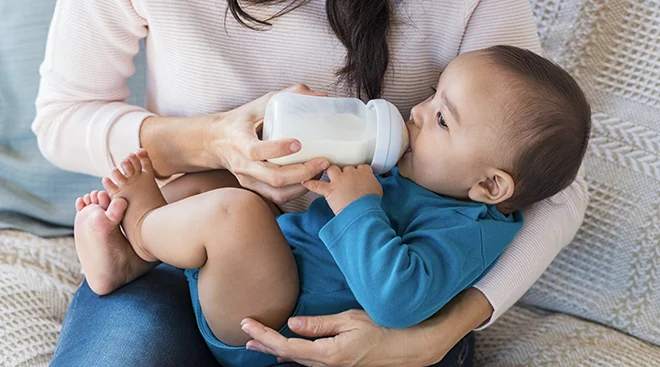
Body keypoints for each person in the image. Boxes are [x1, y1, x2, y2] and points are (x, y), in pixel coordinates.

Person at [33, 1, 589, 366]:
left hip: (332, 317)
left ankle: (141, 233)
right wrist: (211, 138)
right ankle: (136, 247)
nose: (416, 113)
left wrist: (434, 335)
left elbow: (550, 185)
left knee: (230, 211)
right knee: (213, 187)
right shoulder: (409, 176)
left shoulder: (449, 201)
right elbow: (62, 116)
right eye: (431, 96)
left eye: (441, 115)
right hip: (212, 268)